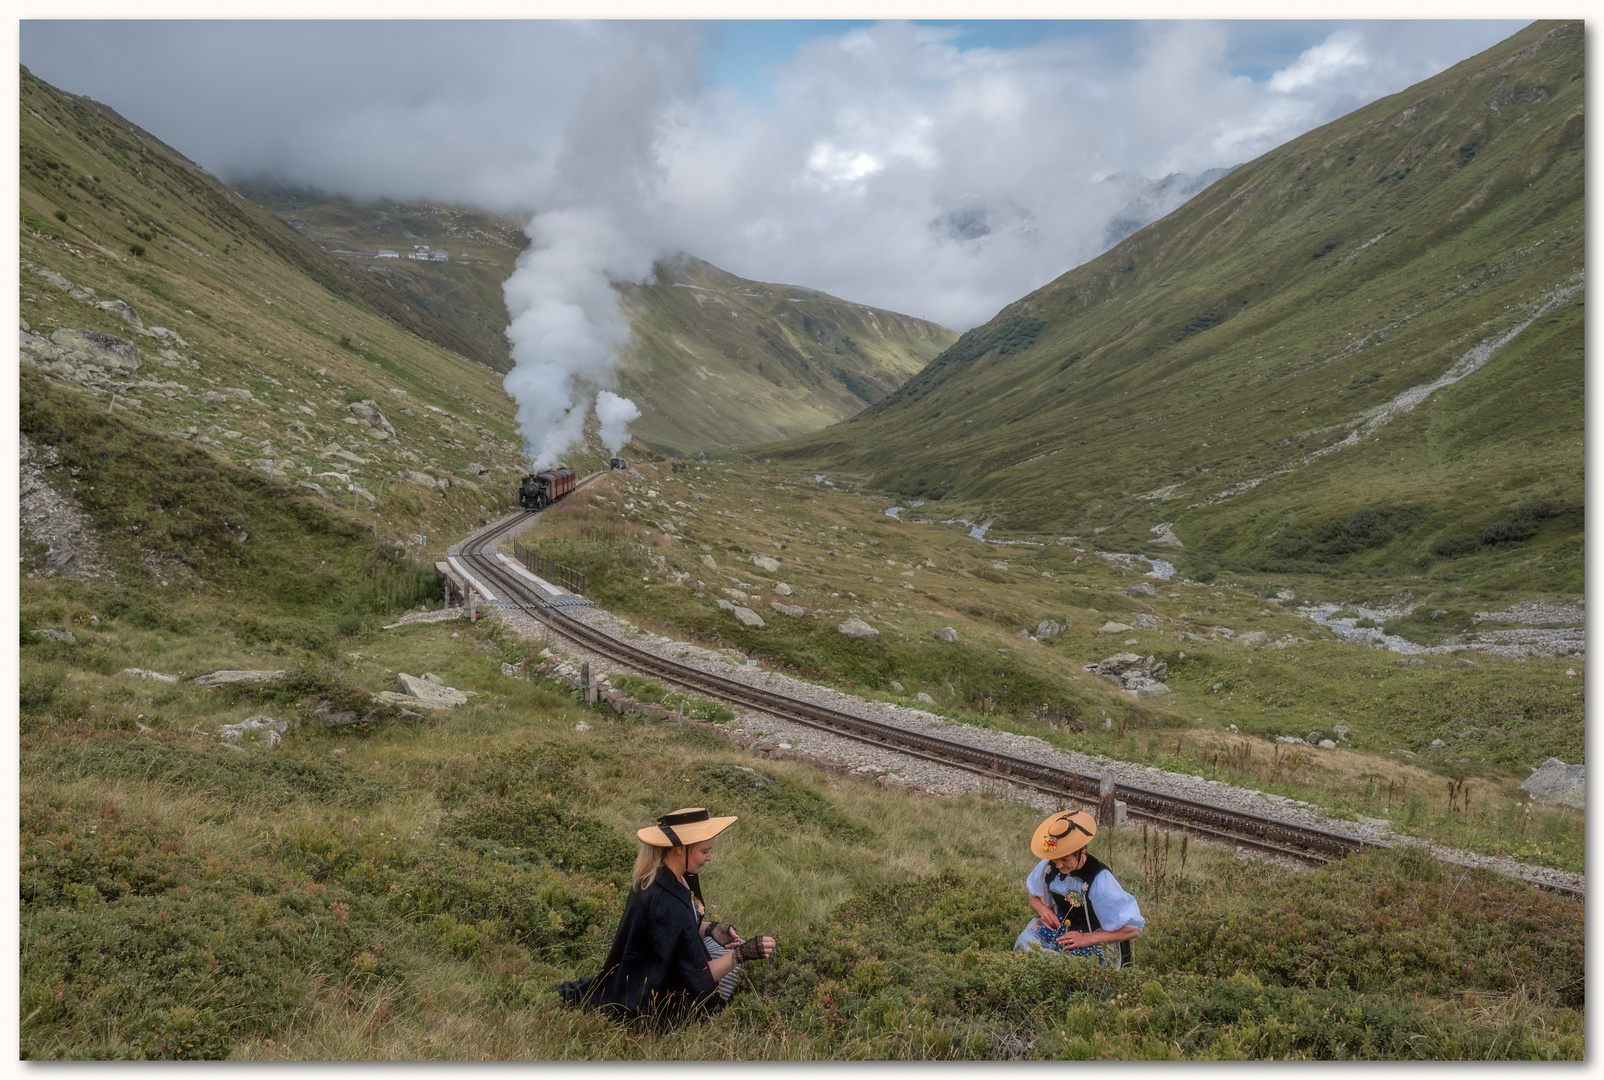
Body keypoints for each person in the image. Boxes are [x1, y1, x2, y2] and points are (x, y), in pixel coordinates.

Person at [558, 807, 776, 1025]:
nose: (709, 857)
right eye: (704, 851)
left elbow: (672, 931)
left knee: (718, 949)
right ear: (681, 849)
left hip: (640, 976)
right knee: (729, 964)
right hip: (653, 999)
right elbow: (699, 978)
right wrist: (743, 953)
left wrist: (709, 929)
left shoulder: (661, 877)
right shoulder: (665, 900)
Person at [1012, 809, 1143, 966]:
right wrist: (1043, 910)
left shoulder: (1099, 880)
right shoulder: (1049, 867)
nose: (1058, 865)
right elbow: (1033, 896)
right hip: (1061, 932)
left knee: (1073, 968)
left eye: (1065, 859)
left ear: (1082, 853)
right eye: (1055, 859)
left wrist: (1085, 938)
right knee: (1025, 943)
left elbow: (1133, 929)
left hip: (1095, 940)